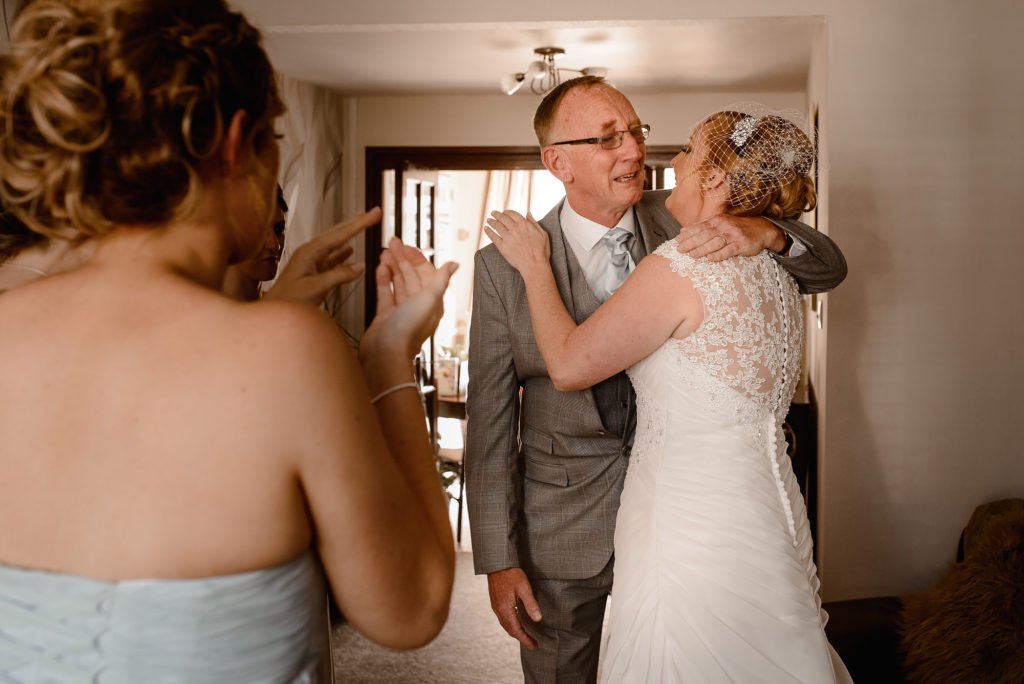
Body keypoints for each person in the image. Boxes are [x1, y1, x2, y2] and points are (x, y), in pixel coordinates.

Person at [0, 2, 456, 682]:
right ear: (238, 142)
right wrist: (388, 354)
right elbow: (412, 608)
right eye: (275, 136)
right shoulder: (290, 352)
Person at [465, 76, 848, 683]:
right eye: (609, 138)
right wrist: (498, 559)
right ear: (557, 161)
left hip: (686, 523)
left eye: (636, 131)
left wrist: (768, 230)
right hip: (563, 528)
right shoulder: (504, 266)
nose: (636, 151)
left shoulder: (688, 222)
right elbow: (488, 423)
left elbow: (829, 266)